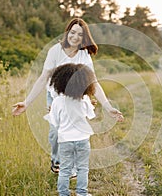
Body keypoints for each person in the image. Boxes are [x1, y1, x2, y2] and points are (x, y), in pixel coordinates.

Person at [12, 18, 124, 173]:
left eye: (80, 34)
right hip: (56, 97)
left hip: (76, 98)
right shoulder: (55, 51)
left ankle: (72, 166)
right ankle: (56, 160)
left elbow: (94, 83)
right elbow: (44, 78)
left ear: (84, 37)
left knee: (76, 132)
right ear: (67, 33)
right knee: (55, 132)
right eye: (72, 32)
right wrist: (26, 102)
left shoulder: (84, 55)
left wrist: (108, 107)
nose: (75, 37)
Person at [44, 63, 97, 196]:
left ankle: (63, 193)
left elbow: (54, 122)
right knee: (83, 168)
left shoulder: (57, 101)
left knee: (65, 170)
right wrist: (91, 106)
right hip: (83, 139)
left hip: (65, 140)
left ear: (59, 82)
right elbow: (90, 115)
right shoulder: (84, 99)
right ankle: (82, 193)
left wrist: (51, 112)